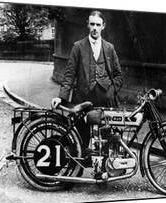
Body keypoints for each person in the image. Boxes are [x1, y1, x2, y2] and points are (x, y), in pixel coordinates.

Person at [51, 10, 122, 150]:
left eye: (98, 24)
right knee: (81, 139)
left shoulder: (109, 48)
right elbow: (69, 75)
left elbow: (118, 75)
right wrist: (62, 98)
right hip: (83, 99)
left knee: (107, 138)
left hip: (105, 101)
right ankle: (80, 164)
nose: (95, 28)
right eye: (92, 24)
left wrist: (111, 91)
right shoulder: (78, 47)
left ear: (103, 26)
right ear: (88, 25)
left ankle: (105, 169)